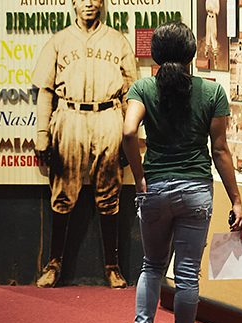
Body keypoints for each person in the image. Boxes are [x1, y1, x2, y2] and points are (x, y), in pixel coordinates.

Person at [122, 22, 242, 323]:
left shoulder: (143, 88)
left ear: (156, 54)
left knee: (151, 266)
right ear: (192, 54)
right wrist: (236, 199)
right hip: (196, 192)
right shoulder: (212, 92)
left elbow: (129, 131)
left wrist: (139, 177)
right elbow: (220, 150)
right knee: (188, 274)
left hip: (155, 190)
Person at [32, 0, 138, 288]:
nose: (89, 3)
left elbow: (132, 94)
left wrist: (132, 136)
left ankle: (112, 266)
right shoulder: (60, 40)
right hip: (70, 115)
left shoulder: (117, 41)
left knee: (109, 194)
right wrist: (42, 133)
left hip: (107, 115)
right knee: (63, 193)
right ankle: (54, 265)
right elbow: (45, 91)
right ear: (73, 3)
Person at [204, 0, 219, 67]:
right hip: (208, 17)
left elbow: (217, 10)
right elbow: (207, 8)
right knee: (208, 34)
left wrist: (212, 9)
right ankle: (206, 52)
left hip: (213, 18)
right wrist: (209, 9)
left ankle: (215, 56)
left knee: (213, 35)